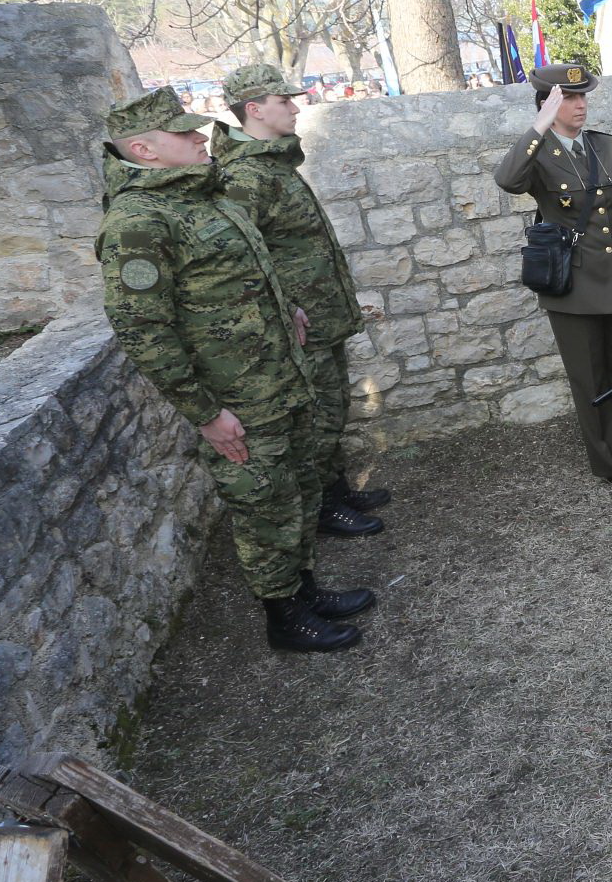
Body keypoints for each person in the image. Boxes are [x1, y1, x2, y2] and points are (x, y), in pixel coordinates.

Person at [96, 87, 376, 652]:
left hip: (280, 381)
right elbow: (143, 330)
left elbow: (247, 270)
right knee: (263, 507)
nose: (201, 137)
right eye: (184, 133)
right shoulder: (138, 223)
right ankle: (285, 619)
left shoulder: (201, 196)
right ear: (144, 151)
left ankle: (305, 591)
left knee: (294, 494)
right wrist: (206, 414)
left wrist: (288, 306)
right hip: (238, 401)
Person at [217, 64, 393, 539]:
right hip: (298, 326)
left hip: (318, 318)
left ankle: (334, 492)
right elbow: (243, 261)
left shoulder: (271, 163)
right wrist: (284, 311)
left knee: (330, 410)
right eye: (284, 102)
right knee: (317, 418)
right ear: (254, 110)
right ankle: (320, 511)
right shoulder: (244, 177)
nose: (295, 109)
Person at [494, 62, 612, 494]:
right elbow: (507, 180)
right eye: (569, 98)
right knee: (590, 376)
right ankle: (611, 462)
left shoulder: (607, 146)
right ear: (548, 104)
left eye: (583, 96)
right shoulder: (539, 154)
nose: (580, 104)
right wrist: (539, 126)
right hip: (573, 284)